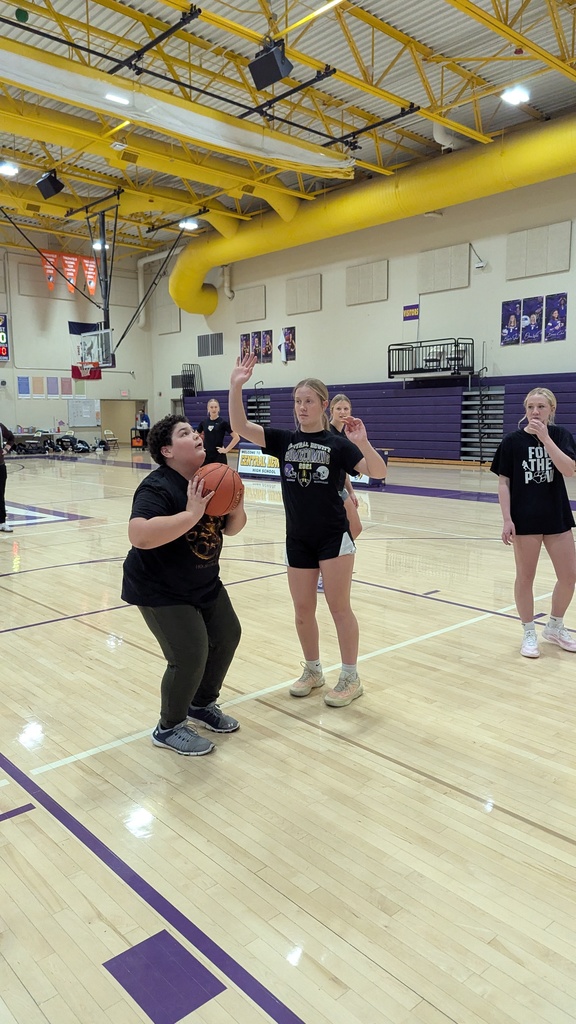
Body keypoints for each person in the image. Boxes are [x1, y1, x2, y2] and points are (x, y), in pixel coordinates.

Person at [229, 353, 387, 707]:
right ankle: (313, 671)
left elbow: (378, 472)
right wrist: (235, 385)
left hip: (333, 537)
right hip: (297, 537)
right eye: (298, 401)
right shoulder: (283, 440)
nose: (302, 407)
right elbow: (240, 425)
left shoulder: (338, 445)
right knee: (302, 610)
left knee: (339, 608)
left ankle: (350, 676)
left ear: (323, 404)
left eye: (308, 401)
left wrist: (362, 442)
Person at [121, 414, 247, 755]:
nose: (195, 435)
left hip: (203, 581)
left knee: (227, 636)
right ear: (167, 450)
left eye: (194, 431)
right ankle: (169, 726)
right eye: (184, 433)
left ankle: (201, 704)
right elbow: (139, 535)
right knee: (190, 654)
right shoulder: (157, 487)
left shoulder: (211, 478)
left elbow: (233, 528)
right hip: (159, 588)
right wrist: (191, 515)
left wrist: (237, 499)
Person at [491, 388, 576, 659]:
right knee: (525, 577)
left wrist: (546, 439)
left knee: (569, 575)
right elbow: (503, 483)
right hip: (525, 519)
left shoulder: (561, 435)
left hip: (557, 517)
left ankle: (555, 626)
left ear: (552, 409)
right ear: (525, 409)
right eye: (530, 407)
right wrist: (507, 519)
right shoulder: (512, 441)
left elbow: (569, 469)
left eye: (541, 406)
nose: (535, 412)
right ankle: (528, 631)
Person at [196, 399, 240, 466]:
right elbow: (195, 436)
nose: (214, 409)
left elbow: (236, 437)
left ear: (219, 408)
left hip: (219, 456)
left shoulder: (223, 422)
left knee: (221, 476)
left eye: (216, 407)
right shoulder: (204, 422)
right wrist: (200, 447)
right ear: (208, 408)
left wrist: (226, 450)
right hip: (206, 456)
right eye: (211, 407)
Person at [0, 422, 15, 532]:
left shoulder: (0, 427)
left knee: (0, 495)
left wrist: (6, 449)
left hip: (0, 466)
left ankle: (2, 522)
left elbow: (11, 437)